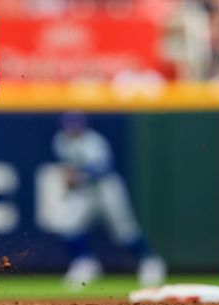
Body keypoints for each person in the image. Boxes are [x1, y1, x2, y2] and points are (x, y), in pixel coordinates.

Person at [52, 112, 166, 289]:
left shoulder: (93, 141)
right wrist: (70, 177)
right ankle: (85, 264)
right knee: (67, 224)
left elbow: (103, 168)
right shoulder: (60, 140)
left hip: (106, 187)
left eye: (76, 125)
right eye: (69, 125)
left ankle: (150, 262)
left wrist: (77, 174)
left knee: (124, 230)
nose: (72, 129)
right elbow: (66, 167)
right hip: (84, 192)